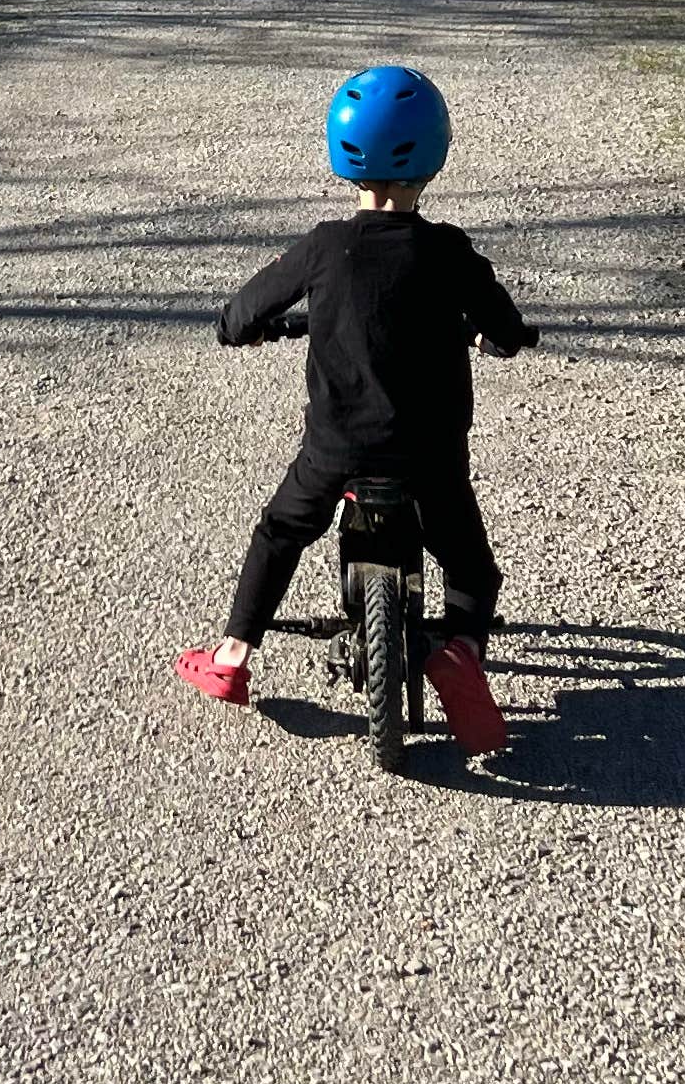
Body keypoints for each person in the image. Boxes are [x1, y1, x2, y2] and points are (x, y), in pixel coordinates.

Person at [175, 62, 535, 757]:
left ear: (341, 158)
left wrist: (238, 326)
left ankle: (231, 656)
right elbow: (504, 323)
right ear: (435, 154)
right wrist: (509, 337)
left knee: (280, 531)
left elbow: (245, 310)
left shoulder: (323, 248)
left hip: (335, 453)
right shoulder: (449, 252)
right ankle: (461, 651)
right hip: (429, 460)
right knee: (471, 569)